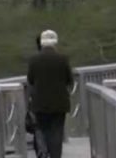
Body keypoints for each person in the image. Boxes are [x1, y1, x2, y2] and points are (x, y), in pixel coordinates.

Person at [28, 30, 73, 158]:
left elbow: (30, 79)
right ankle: (55, 155)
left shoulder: (33, 60)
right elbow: (69, 80)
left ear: (41, 43)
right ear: (55, 42)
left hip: (40, 103)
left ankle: (43, 152)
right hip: (60, 103)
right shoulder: (63, 59)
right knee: (57, 132)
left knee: (41, 129)